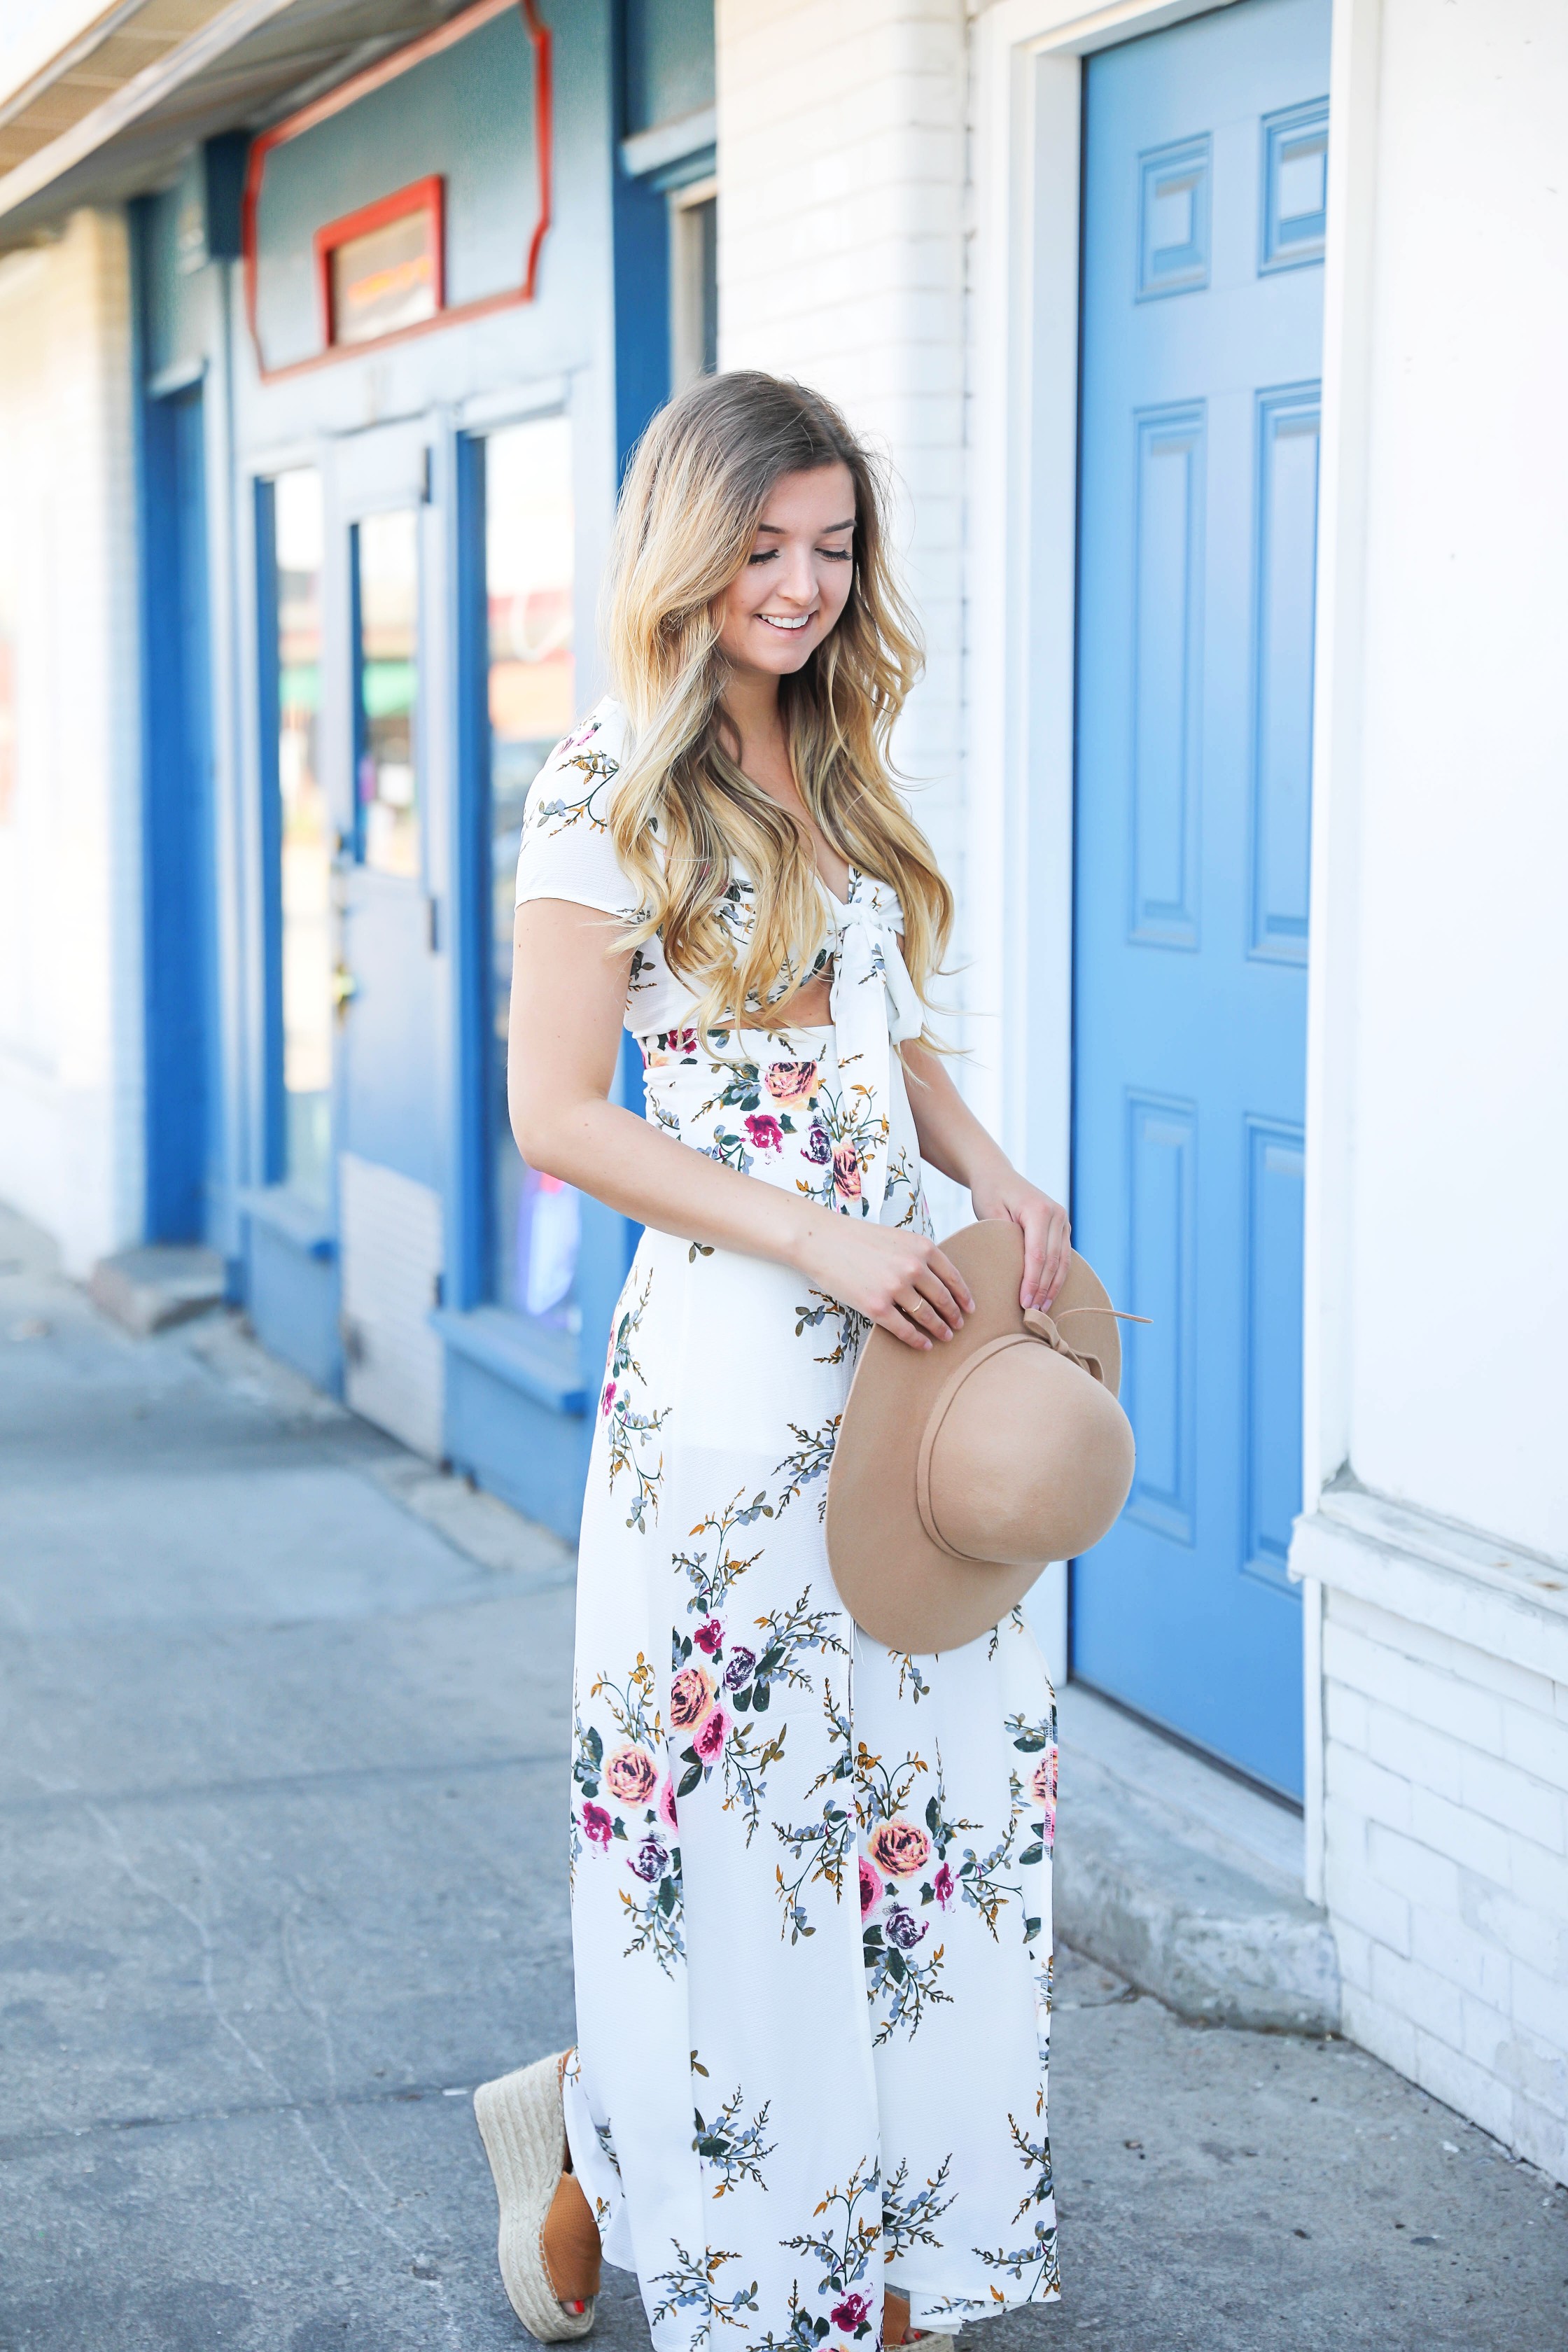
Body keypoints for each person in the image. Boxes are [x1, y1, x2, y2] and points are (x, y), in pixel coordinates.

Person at [475, 371, 1068, 2351]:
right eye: (767, 545)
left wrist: (993, 1176)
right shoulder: (599, 792)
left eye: (833, 549)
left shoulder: (839, 750)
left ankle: (884, 2242)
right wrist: (826, 1234)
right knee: (746, 1824)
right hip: (740, 1360)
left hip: (921, 1332)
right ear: (687, 543)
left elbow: (883, 1027)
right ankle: (675, 2189)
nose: (804, 586)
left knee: (928, 1791)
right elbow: (558, 1114)